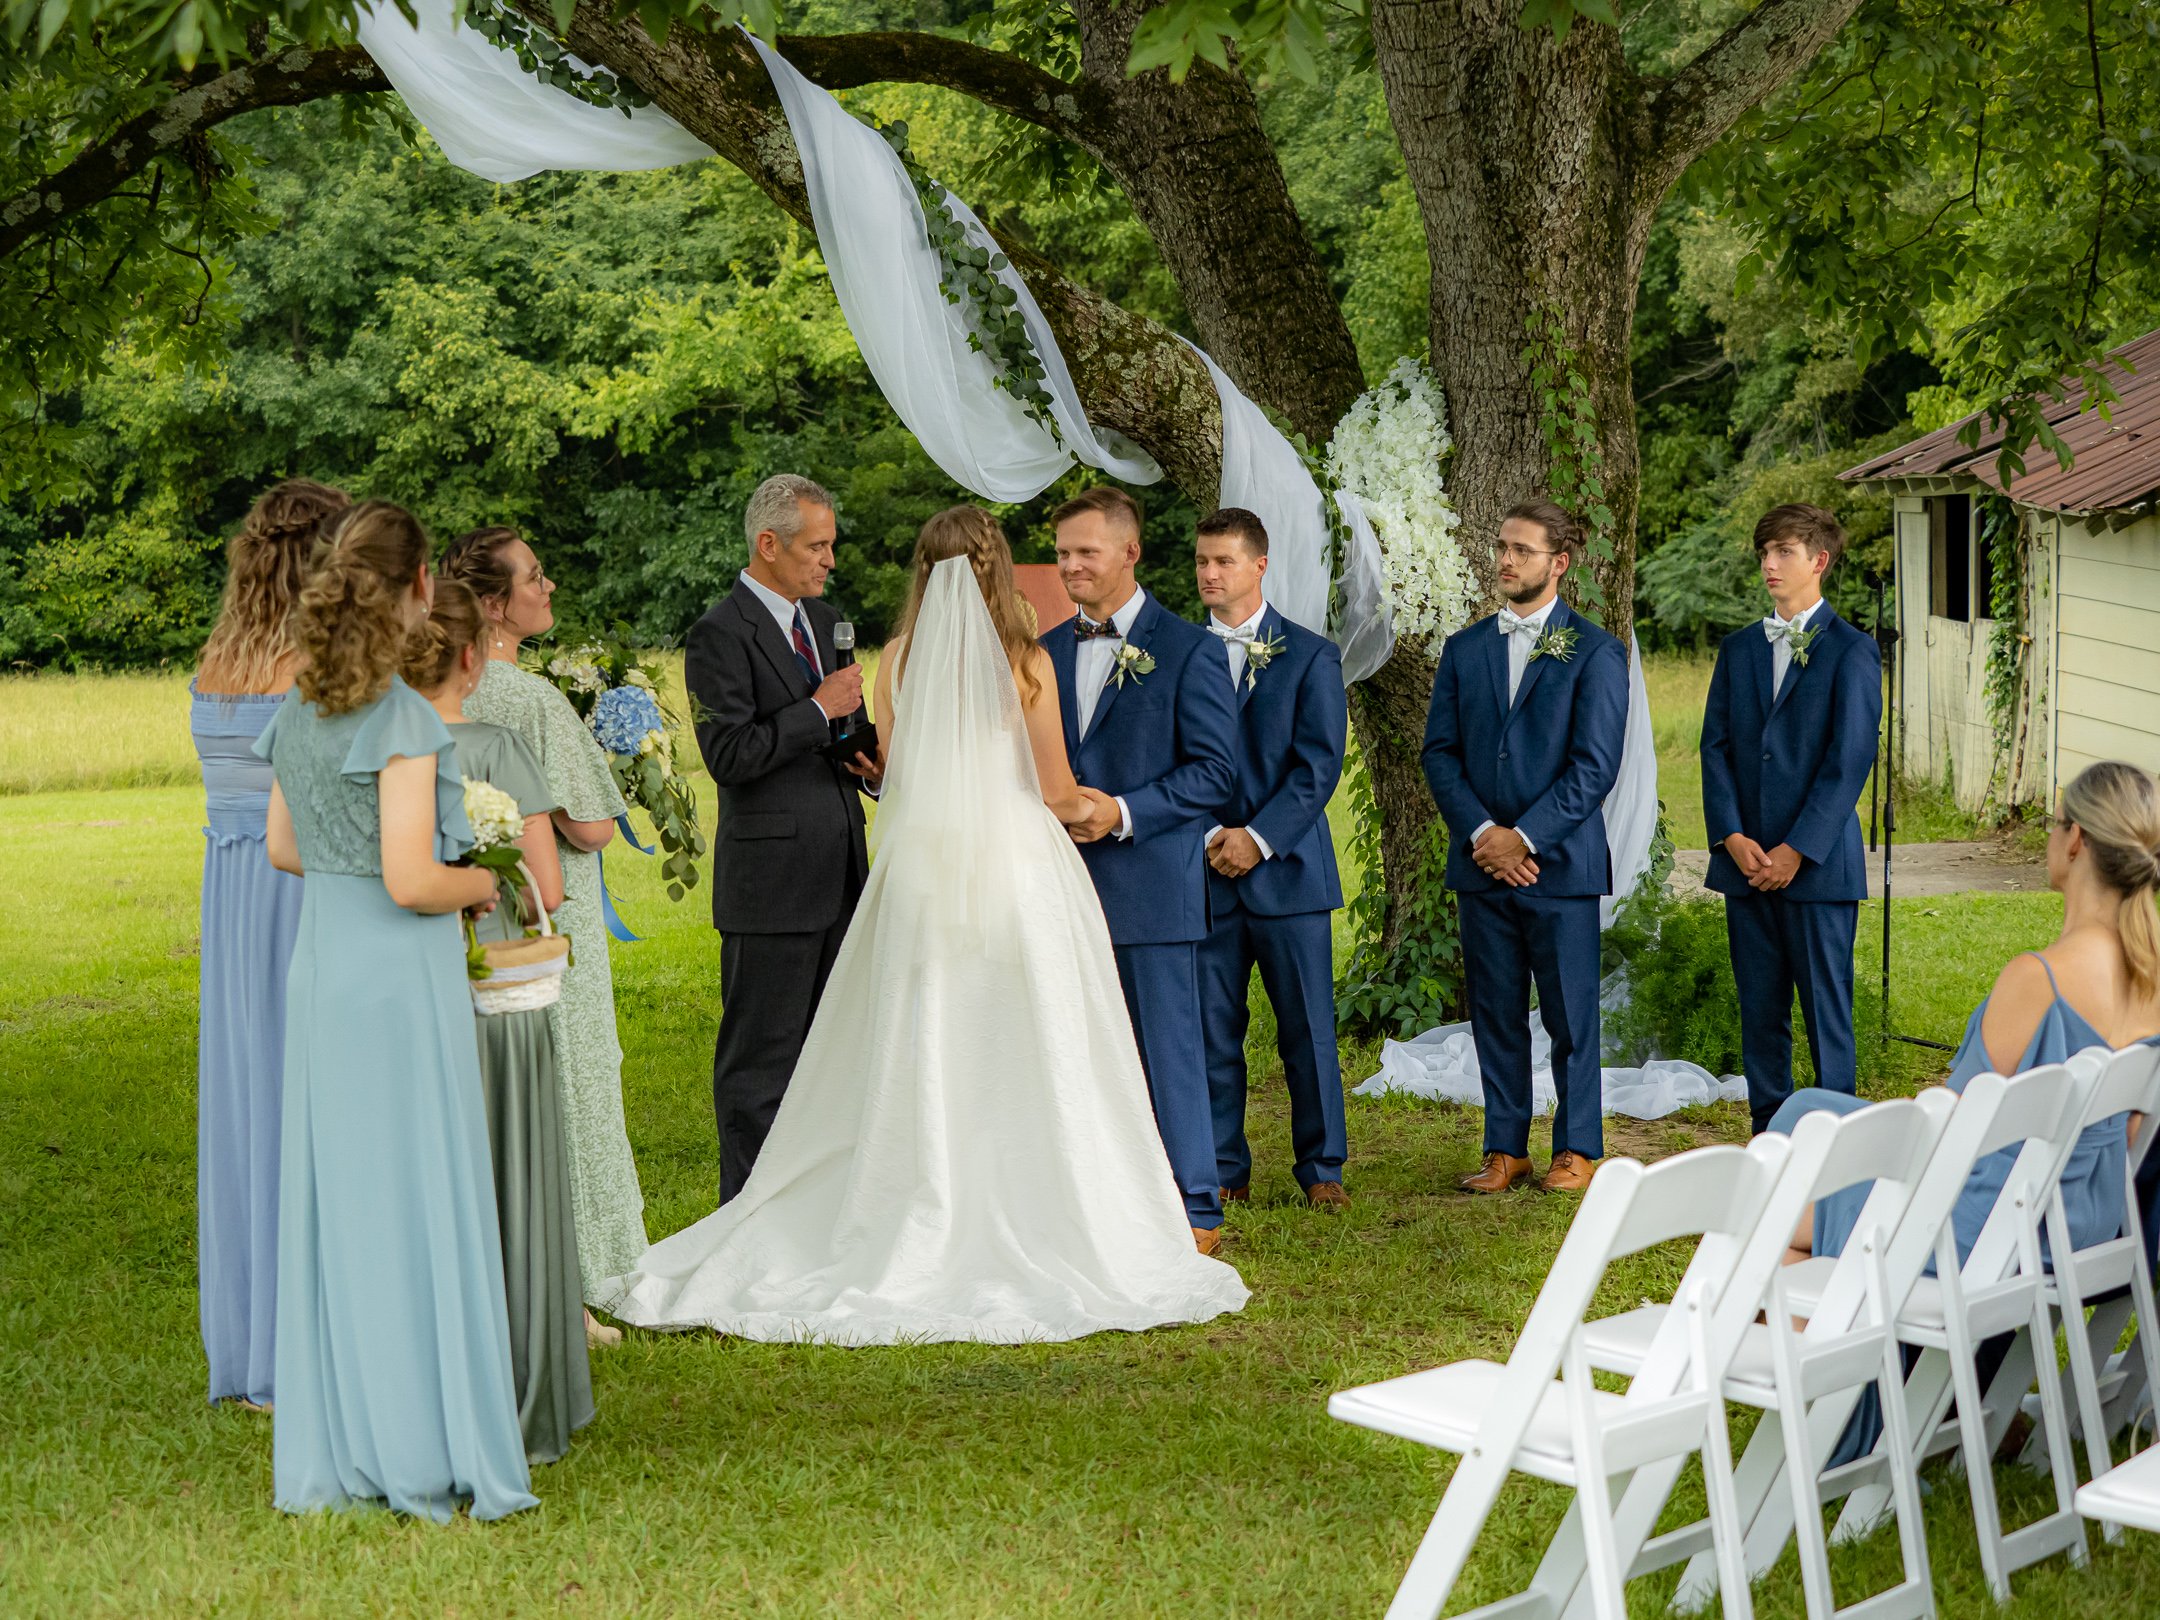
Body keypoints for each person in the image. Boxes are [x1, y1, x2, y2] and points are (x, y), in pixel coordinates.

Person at [595, 508, 1248, 1341]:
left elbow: (898, 774)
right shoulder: (1027, 662)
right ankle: (1044, 1200)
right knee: (1033, 1039)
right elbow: (1052, 791)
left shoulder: (895, 661)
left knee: (922, 1034)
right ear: (998, 568)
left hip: (920, 875)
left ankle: (916, 1193)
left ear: (922, 573)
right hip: (1017, 870)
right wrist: (1090, 806)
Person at [257, 500, 533, 1521]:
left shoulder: (301, 709)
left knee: (348, 1201)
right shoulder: (405, 720)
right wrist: (481, 885)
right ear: (422, 589)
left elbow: (285, 850)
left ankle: (348, 1437)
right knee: (417, 1196)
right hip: (395, 979)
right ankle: (424, 1441)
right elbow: (415, 878)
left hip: (325, 970)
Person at [1772, 759, 2160, 1460]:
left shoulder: (2037, 979)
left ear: (2075, 842)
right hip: (2076, 1224)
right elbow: (2125, 1134)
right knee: (1806, 1108)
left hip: (1978, 1232)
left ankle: (1862, 1424)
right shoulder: (2151, 986)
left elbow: (1936, 1136)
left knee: (1772, 1204)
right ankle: (1949, 1406)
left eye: (2053, 823)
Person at [405, 579, 594, 1466]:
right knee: (509, 1173)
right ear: (474, 660)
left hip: (410, 978)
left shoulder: (383, 749)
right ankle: (520, 1383)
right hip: (496, 988)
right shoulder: (497, 745)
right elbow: (548, 889)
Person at [444, 526, 647, 1340]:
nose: (549, 586)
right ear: (494, 605)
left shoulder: (443, 692)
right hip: (546, 918)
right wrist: (616, 763)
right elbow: (591, 827)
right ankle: (574, 1277)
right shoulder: (529, 699)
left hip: (470, 919)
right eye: (534, 577)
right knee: (574, 1086)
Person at [1041, 487, 1239, 1252]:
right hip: (1061, 889)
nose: (1071, 567)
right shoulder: (1047, 651)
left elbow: (1216, 773)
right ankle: (1100, 1198)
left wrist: (1120, 811)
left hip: (1152, 885)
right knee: (1077, 1049)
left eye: (1086, 552)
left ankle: (1195, 1207)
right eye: (1062, 554)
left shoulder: (1190, 648)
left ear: (1130, 552)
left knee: (1169, 1047)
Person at [191, 477, 348, 1412]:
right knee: (306, 1103)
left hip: (232, 900)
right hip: (297, 885)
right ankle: (306, 1346)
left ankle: (256, 1344)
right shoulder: (315, 666)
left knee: (249, 1101)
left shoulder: (218, 661)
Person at [682, 474, 879, 1204]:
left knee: (837, 1057)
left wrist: (872, 760)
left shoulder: (826, 620)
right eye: (816, 546)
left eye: (830, 545)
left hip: (842, 870)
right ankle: (748, 1218)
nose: (829, 560)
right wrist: (818, 709)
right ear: (769, 544)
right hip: (770, 886)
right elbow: (729, 755)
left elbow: (840, 734)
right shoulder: (717, 634)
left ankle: (818, 1209)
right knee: (761, 1064)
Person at [1421, 498, 1627, 1195]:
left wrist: (1526, 837)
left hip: (1559, 866)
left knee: (1572, 1016)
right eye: (1501, 547)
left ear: (1558, 563)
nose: (1505, 560)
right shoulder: (1465, 648)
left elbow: (1595, 766)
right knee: (1495, 1011)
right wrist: (1485, 836)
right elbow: (1440, 754)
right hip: (1483, 866)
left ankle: (1577, 1146)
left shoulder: (1596, 651)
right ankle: (1505, 1148)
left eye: (1521, 551)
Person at [1701, 504, 1882, 1135]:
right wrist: (1731, 836)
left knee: (1826, 1009)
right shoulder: (1739, 650)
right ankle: (1769, 1134)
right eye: (1763, 553)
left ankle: (1838, 1142)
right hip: (1746, 864)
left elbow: (1849, 758)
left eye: (1782, 552)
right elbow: (1715, 747)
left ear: (1819, 561)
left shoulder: (1854, 652)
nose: (1769, 564)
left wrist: (1796, 850)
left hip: (1818, 867)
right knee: (1761, 1009)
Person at [1190, 508, 1351, 1209]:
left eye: (1223, 562)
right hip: (1202, 875)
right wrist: (1207, 839)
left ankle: (1323, 1170)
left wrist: (1255, 838)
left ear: (1259, 566)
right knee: (1210, 1032)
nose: (1209, 574)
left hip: (1288, 873)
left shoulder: (1312, 655)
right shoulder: (1175, 656)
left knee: (1308, 1032)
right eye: (1201, 562)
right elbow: (1166, 763)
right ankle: (1225, 1168)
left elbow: (1319, 766)